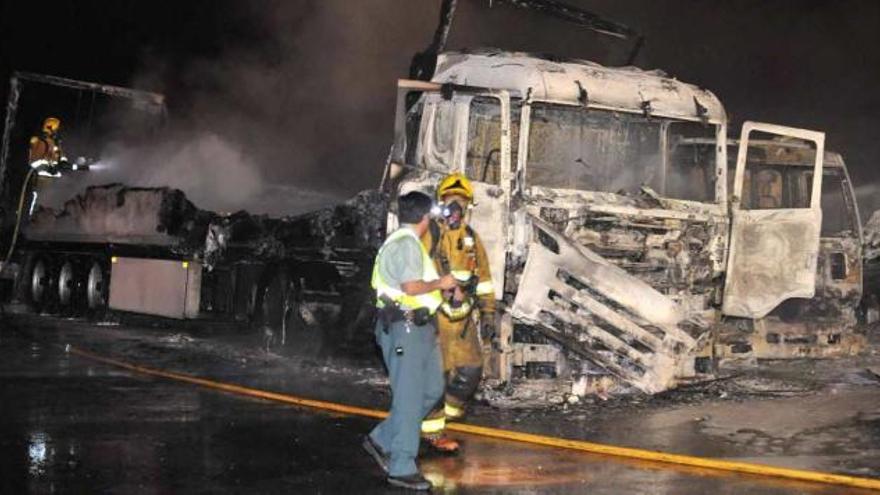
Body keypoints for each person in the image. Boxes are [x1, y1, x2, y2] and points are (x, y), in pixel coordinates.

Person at [363, 191, 457, 491]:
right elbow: (411, 286)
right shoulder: (405, 245)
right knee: (409, 397)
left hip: (419, 327)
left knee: (432, 389)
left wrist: (443, 291)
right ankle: (401, 466)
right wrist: (442, 283)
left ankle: (381, 438)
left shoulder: (409, 244)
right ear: (425, 217)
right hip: (405, 327)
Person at [420, 173, 495, 454]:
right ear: (440, 205)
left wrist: (488, 314)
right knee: (434, 379)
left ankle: (448, 414)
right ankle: (433, 432)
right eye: (450, 202)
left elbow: (484, 279)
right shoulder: (429, 237)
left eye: (460, 203)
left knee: (471, 372)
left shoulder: (473, 241)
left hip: (462, 325)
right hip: (435, 321)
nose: (455, 208)